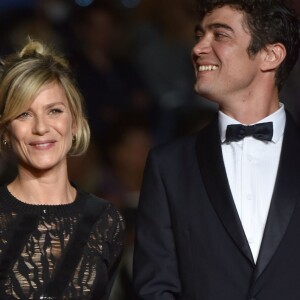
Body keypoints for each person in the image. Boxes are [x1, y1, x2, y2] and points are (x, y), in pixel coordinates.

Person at [133, 0, 300, 299]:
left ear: (270, 55)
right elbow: (156, 287)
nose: (197, 48)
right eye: (200, 35)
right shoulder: (169, 165)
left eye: (219, 35)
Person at [0, 39, 125, 299]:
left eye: (54, 111)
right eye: (24, 114)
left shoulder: (106, 220)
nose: (41, 127)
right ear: (5, 132)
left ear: (76, 123)